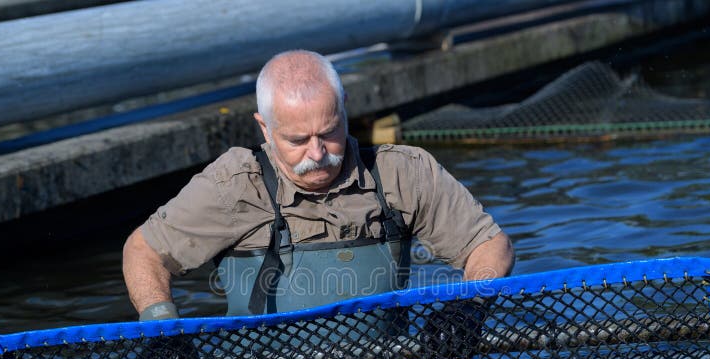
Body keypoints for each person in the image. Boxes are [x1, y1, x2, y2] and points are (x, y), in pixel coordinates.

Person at [122, 49, 514, 322]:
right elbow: (143, 252)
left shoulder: (402, 173)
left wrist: (469, 307)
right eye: (296, 141)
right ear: (265, 127)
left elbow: (488, 244)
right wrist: (161, 330)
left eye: (329, 132)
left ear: (344, 106)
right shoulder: (233, 185)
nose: (318, 152)